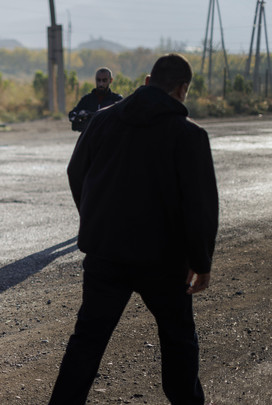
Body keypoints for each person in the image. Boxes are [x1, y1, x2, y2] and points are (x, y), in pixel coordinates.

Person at [49, 54, 218, 405]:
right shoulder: (189, 135)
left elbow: (76, 173)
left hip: (105, 253)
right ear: (183, 90)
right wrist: (201, 262)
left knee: (88, 340)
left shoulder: (101, 122)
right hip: (164, 261)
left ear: (146, 81)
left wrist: (96, 220)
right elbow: (199, 206)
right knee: (178, 339)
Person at [68, 67, 122, 132]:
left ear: (110, 80)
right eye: (98, 80)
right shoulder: (87, 99)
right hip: (90, 139)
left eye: (104, 80)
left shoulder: (116, 100)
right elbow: (72, 114)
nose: (101, 84)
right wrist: (81, 115)